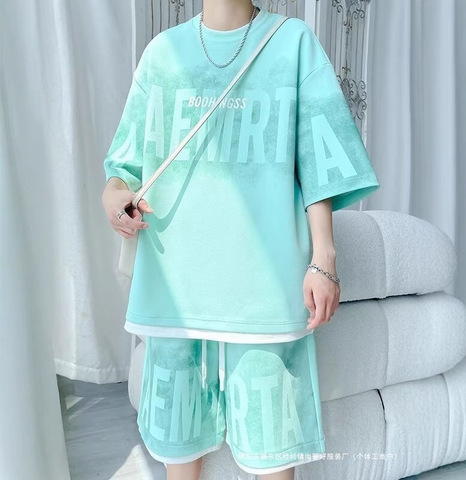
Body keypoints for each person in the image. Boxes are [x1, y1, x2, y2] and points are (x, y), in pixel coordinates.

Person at [101, 1, 380, 479]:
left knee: (272, 451)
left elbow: (319, 162)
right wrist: (113, 197)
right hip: (174, 286)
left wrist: (324, 259)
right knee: (178, 449)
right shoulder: (162, 53)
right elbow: (122, 167)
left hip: (263, 292)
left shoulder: (293, 43)